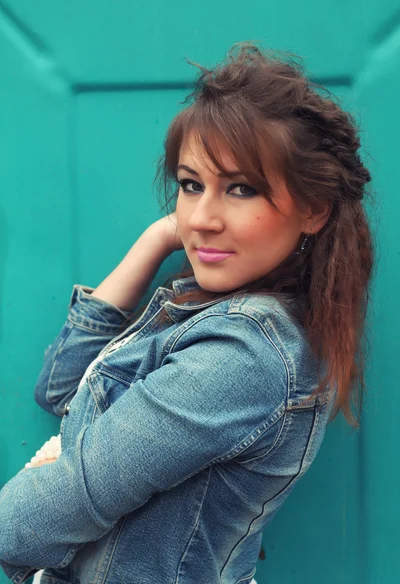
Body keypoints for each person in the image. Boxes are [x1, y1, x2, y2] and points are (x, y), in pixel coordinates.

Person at [0, 42, 373, 584]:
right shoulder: (207, 315)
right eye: (190, 185)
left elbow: (80, 490)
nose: (202, 218)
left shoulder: (247, 354)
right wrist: (158, 238)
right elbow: (62, 390)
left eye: (241, 189)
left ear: (313, 209)